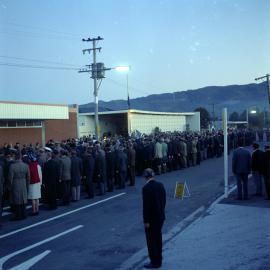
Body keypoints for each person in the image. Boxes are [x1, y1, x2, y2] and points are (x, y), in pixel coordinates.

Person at [142, 168, 166, 269]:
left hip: (151, 219)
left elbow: (146, 206)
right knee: (158, 239)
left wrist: (146, 220)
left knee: (151, 241)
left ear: (145, 177)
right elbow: (164, 200)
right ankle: (159, 259)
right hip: (160, 216)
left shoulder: (146, 188)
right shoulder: (160, 185)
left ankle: (154, 261)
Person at [8, 151, 30, 220]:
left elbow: (10, 178)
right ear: (20, 157)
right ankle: (24, 214)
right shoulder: (26, 165)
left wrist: (9, 187)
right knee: (23, 199)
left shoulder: (12, 166)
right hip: (23, 182)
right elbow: (28, 177)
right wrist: (27, 185)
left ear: (15, 157)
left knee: (17, 200)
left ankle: (18, 215)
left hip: (15, 183)